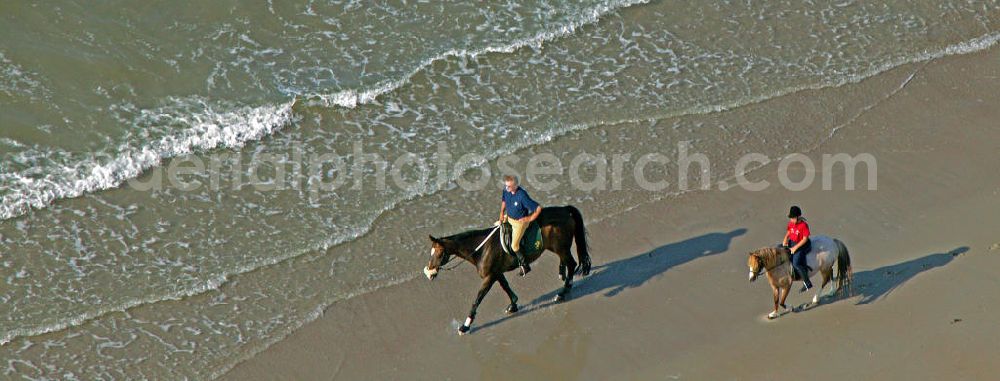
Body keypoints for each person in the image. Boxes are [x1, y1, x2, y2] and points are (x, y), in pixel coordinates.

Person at [499, 175, 541, 276]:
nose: (506, 188)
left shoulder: (522, 196)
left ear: (515, 186)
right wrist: (501, 212)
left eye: (509, 186)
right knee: (496, 227)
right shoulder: (506, 191)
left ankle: (524, 265)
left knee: (514, 245)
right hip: (508, 217)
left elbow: (538, 208)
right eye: (506, 186)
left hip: (519, 223)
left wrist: (529, 218)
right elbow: (504, 200)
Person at [782, 205, 813, 291]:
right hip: (792, 242)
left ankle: (807, 283)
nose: (791, 220)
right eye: (790, 218)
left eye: (793, 218)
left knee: (796, 264)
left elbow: (805, 239)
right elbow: (789, 231)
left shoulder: (803, 225)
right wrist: (785, 238)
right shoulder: (791, 223)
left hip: (801, 244)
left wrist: (795, 248)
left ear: (798, 217)